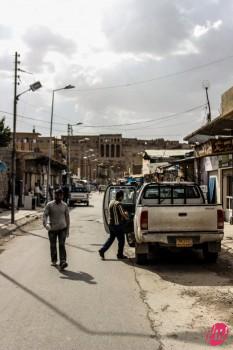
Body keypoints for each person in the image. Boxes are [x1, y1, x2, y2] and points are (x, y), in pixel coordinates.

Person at [43, 188, 70, 270]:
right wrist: (46, 224)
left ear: (62, 196)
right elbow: (45, 215)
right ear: (55, 195)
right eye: (57, 195)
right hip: (52, 229)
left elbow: (67, 218)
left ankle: (63, 261)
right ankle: (54, 260)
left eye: (60, 195)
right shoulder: (49, 205)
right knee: (53, 245)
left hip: (62, 228)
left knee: (62, 245)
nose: (58, 196)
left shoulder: (65, 205)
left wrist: (68, 230)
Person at [99, 190, 128, 260]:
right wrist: (126, 216)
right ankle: (120, 254)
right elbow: (122, 214)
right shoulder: (118, 204)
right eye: (122, 196)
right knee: (121, 240)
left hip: (111, 224)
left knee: (111, 239)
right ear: (120, 196)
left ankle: (102, 250)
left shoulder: (111, 202)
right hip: (117, 225)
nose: (123, 198)